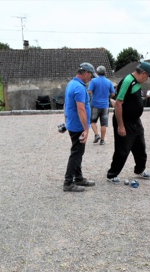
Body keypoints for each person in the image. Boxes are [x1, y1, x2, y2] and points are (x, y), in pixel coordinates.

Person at [107, 62, 150, 184]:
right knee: (122, 149)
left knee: (140, 147)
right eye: (147, 76)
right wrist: (121, 126)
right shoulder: (128, 81)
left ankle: (140, 169)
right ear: (143, 73)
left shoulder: (136, 82)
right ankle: (112, 175)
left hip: (135, 120)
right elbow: (118, 104)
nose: (147, 79)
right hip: (124, 120)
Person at [63, 62, 97, 192]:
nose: (91, 78)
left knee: (77, 152)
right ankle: (68, 183)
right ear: (86, 73)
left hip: (73, 124)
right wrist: (86, 129)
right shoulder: (79, 87)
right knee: (76, 154)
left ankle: (78, 178)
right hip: (78, 126)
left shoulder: (71, 84)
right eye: (91, 76)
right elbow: (81, 109)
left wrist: (66, 122)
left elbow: (66, 105)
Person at [87, 65, 116, 145]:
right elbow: (113, 93)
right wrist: (108, 97)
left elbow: (89, 91)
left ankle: (96, 135)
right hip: (105, 105)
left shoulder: (93, 81)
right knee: (104, 124)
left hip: (95, 104)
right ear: (105, 72)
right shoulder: (109, 82)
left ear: (97, 72)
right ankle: (102, 141)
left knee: (92, 121)